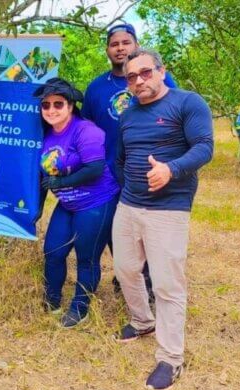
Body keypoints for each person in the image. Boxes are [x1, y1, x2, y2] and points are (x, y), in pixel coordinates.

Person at [112, 48, 213, 390]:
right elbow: (121, 158)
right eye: (131, 77)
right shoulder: (128, 115)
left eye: (145, 72)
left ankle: (171, 358)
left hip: (169, 209)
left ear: (161, 71)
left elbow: (204, 147)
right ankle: (142, 321)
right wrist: (130, 187)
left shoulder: (187, 103)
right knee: (126, 270)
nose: (139, 80)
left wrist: (171, 169)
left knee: (168, 285)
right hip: (129, 206)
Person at [82, 23, 178, 299]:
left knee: (150, 232)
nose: (120, 48)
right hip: (108, 174)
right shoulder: (96, 88)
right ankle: (128, 278)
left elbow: (176, 113)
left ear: (136, 45)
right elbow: (86, 130)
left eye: (126, 42)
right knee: (118, 230)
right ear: (107, 50)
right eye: (114, 44)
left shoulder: (158, 79)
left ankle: (151, 283)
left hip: (149, 170)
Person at [35, 78, 120, 328]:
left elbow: (94, 168)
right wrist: (37, 208)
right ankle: (52, 299)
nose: (51, 110)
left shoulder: (85, 130)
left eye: (58, 104)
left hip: (96, 202)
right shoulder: (45, 133)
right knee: (53, 252)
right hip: (68, 203)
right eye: (46, 105)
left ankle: (79, 308)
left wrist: (60, 183)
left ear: (71, 105)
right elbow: (42, 177)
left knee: (86, 257)